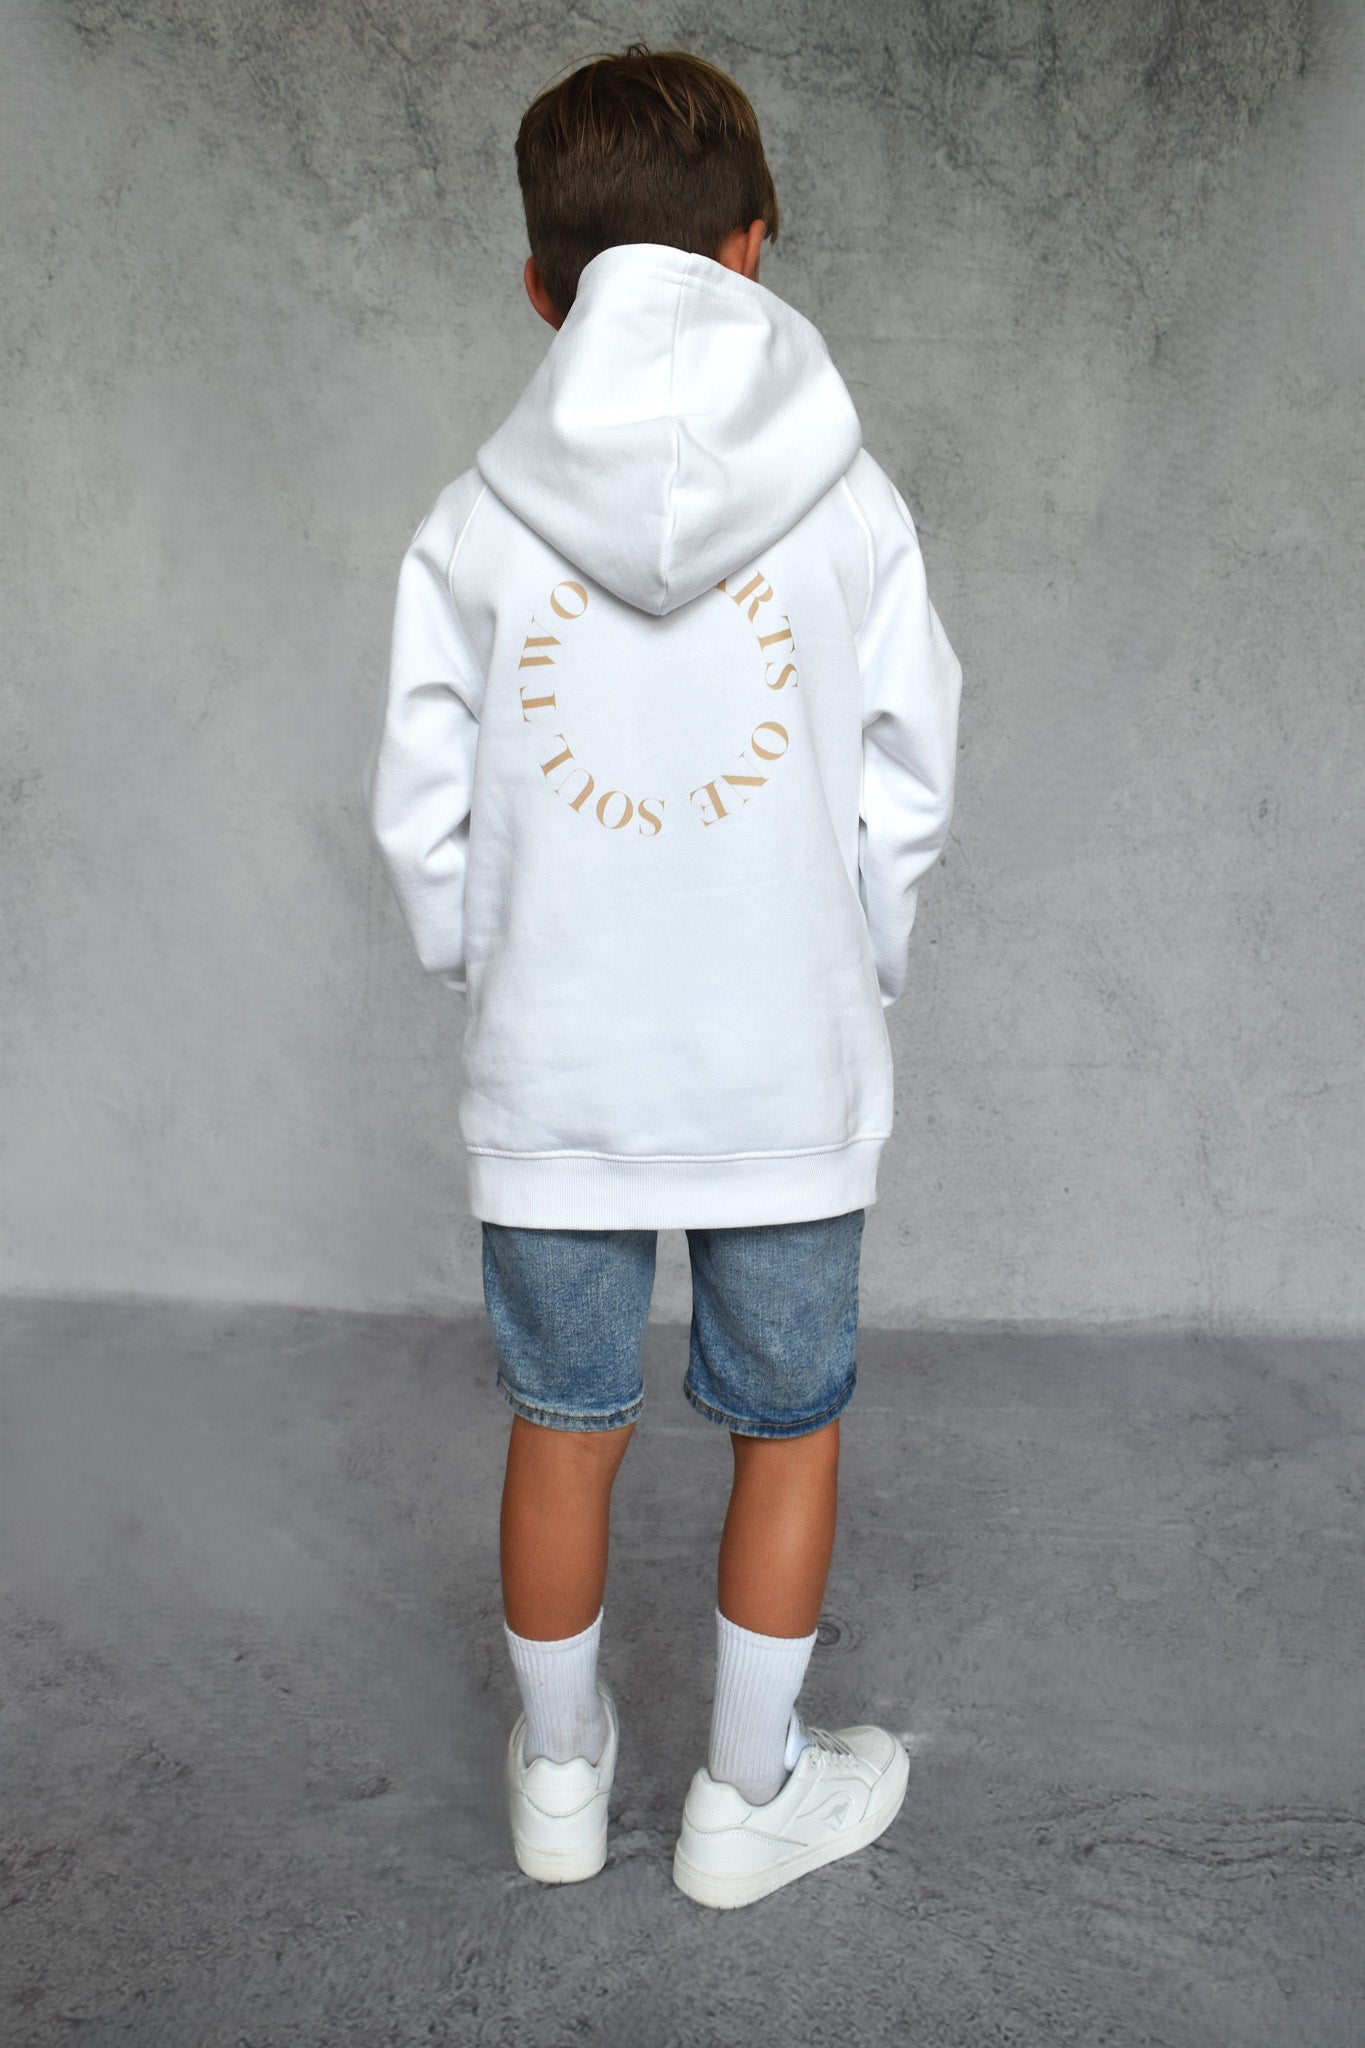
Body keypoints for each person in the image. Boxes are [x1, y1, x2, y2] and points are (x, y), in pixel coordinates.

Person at [364, 43, 963, 1911]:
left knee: (563, 1425)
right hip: (782, 1064)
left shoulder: (473, 524)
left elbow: (419, 809)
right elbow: (910, 783)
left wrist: (489, 971)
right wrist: (854, 967)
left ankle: (559, 1786)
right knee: (788, 1424)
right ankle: (745, 1799)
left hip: (557, 1070)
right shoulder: (850, 508)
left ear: (540, 288)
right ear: (753, 247)